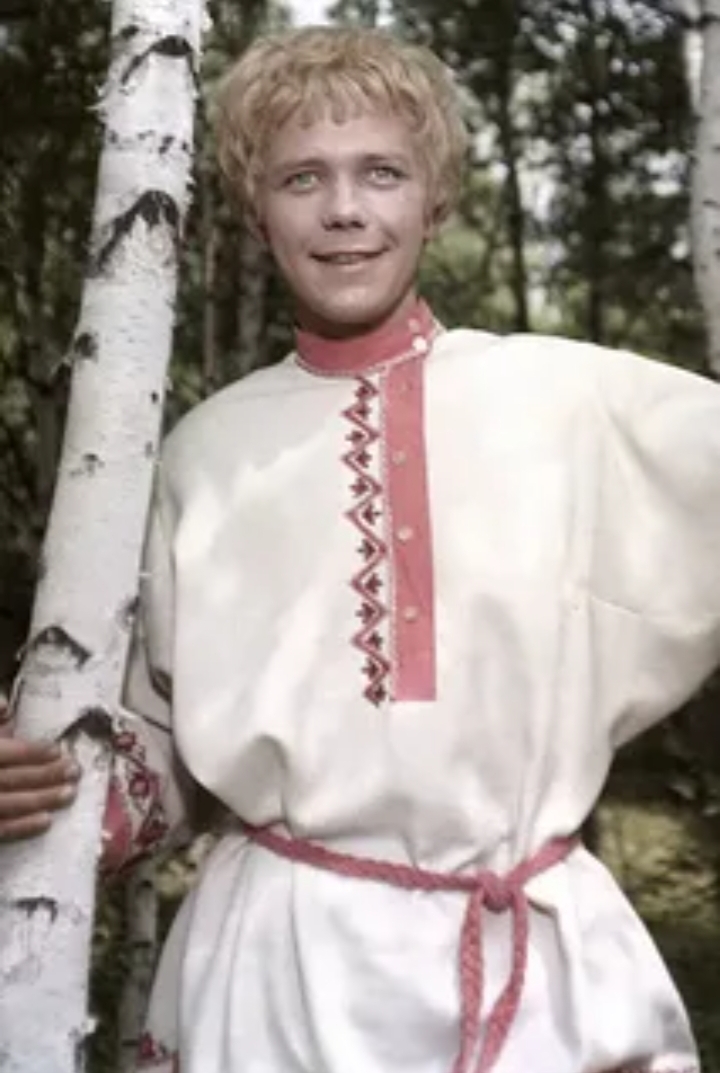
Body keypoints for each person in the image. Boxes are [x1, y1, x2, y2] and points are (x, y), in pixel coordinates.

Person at [2, 24, 720, 1073]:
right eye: (302, 177)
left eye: (382, 172)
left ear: (437, 199)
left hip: (543, 971)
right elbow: (158, 744)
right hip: (279, 979)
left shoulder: (572, 399)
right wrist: (41, 785)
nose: (344, 209)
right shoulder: (201, 455)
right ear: (256, 211)